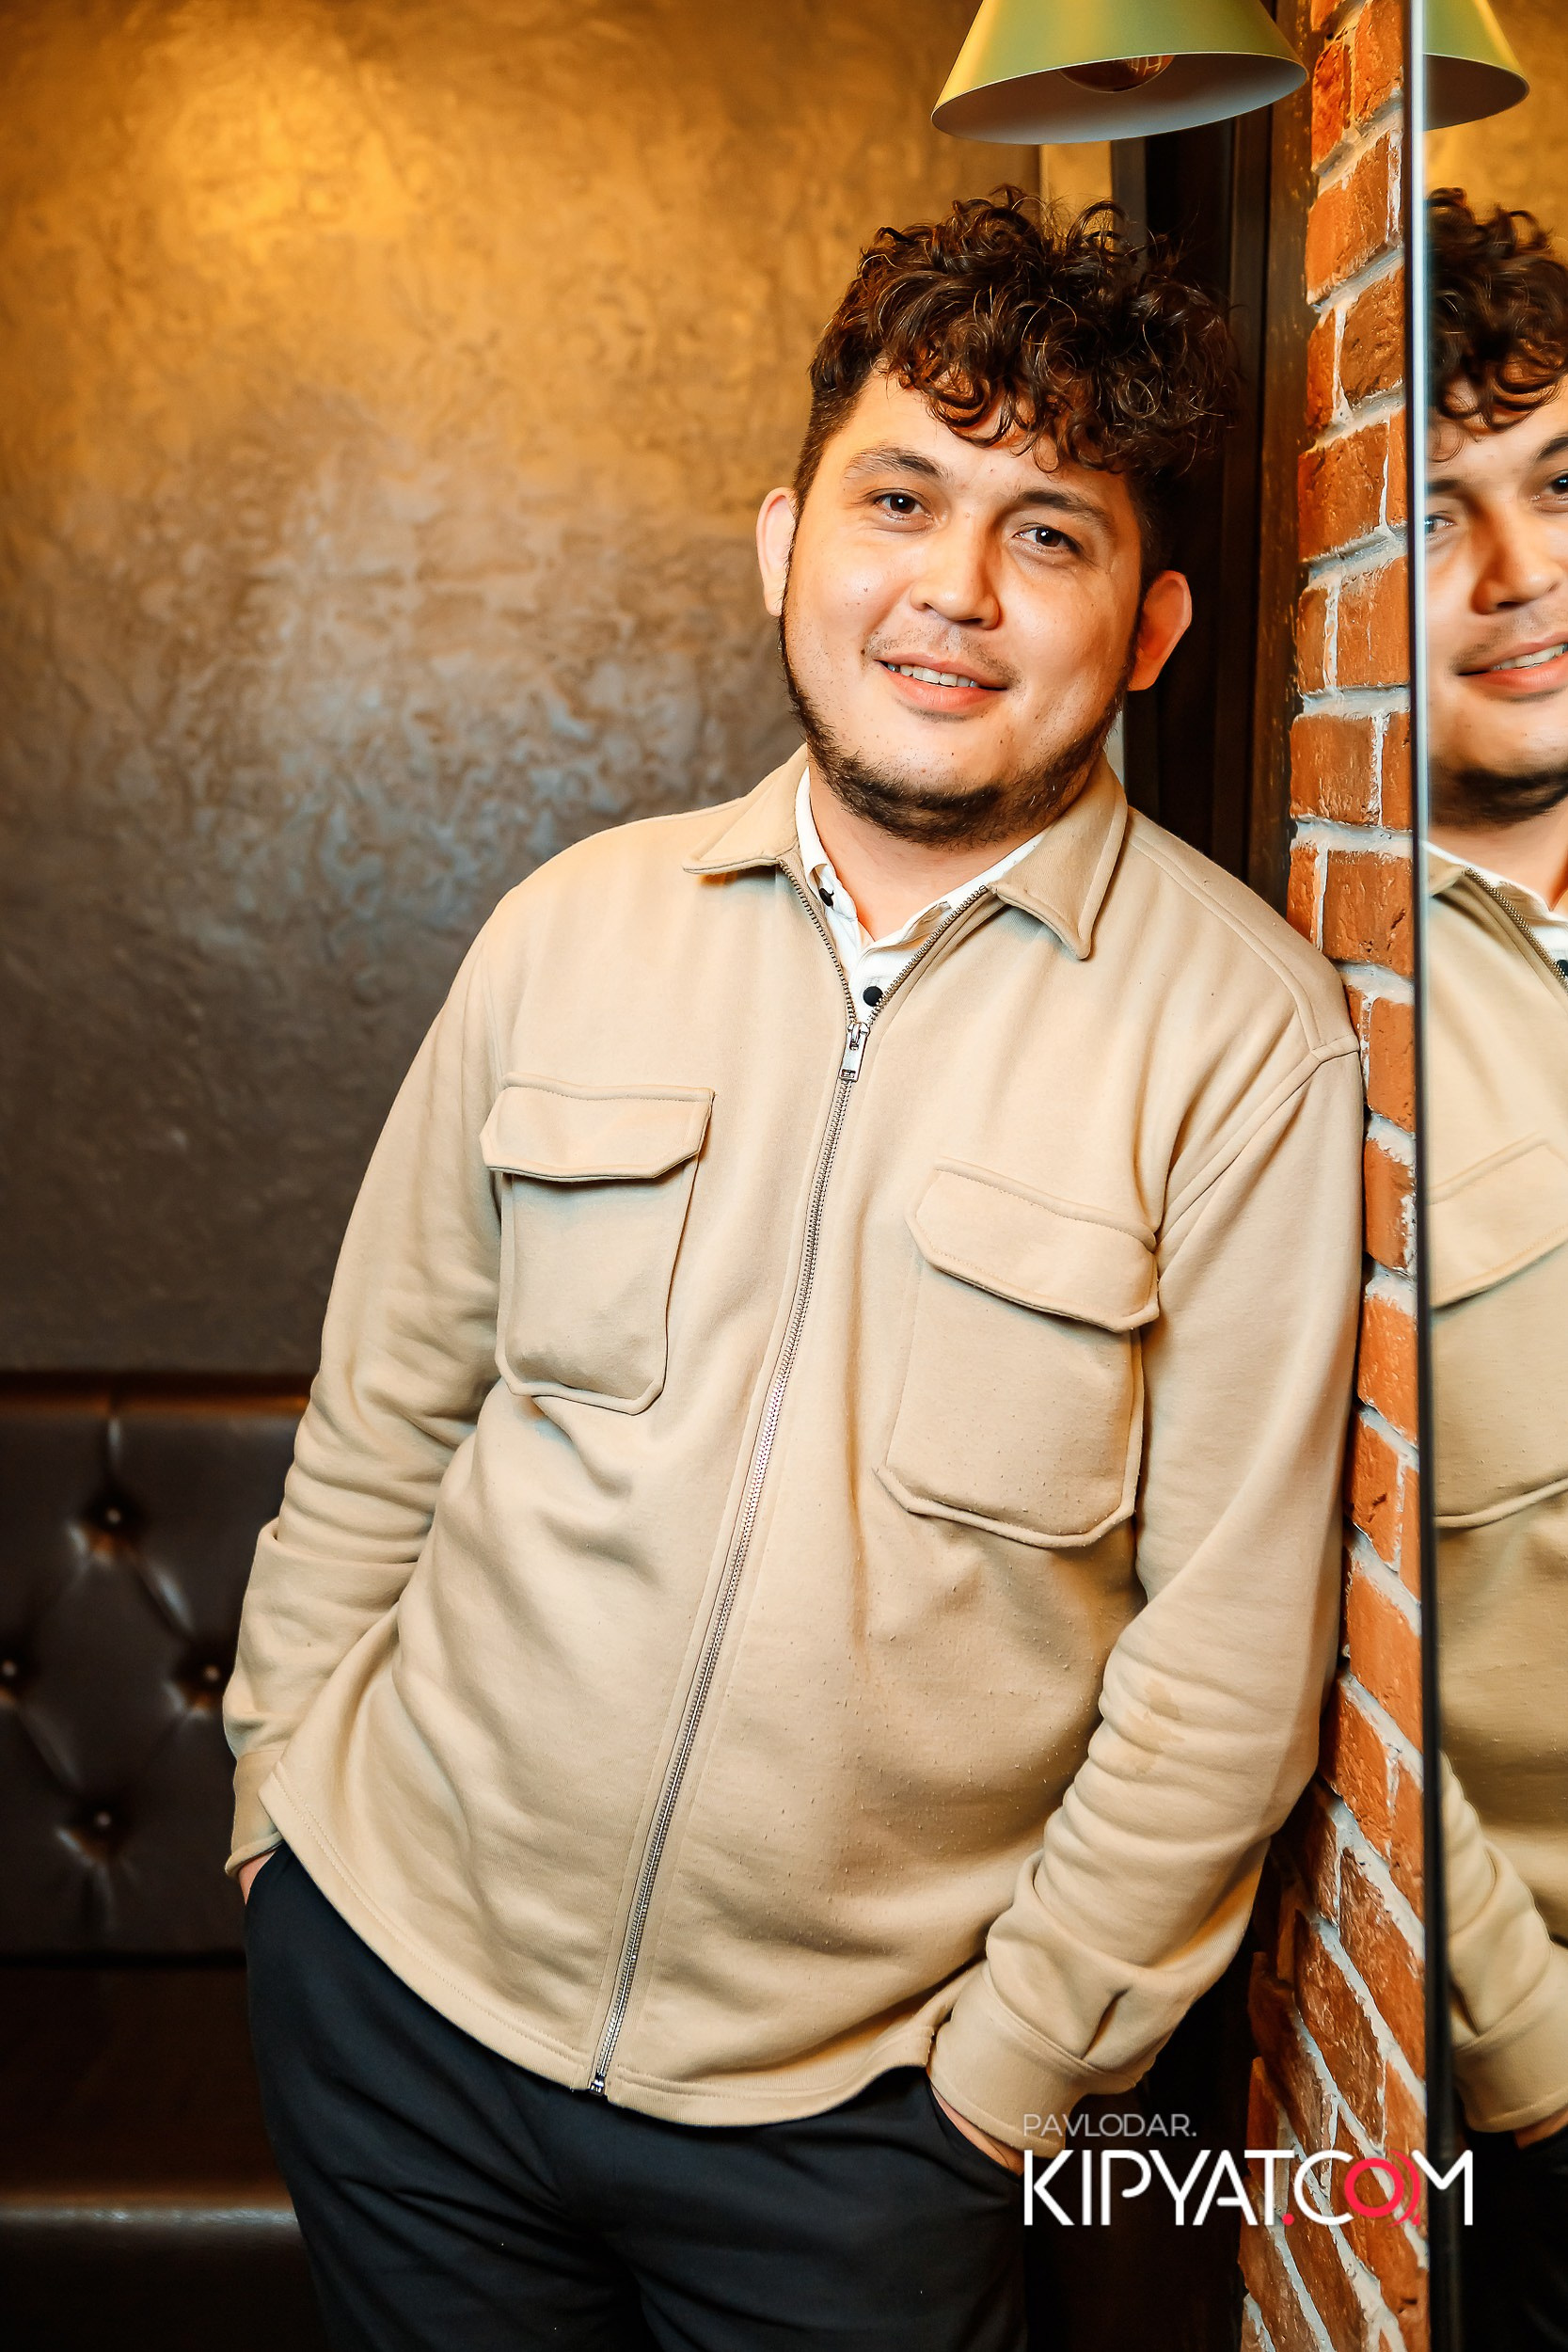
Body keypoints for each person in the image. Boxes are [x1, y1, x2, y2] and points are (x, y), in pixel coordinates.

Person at [225, 191, 1363, 2352]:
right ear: (785, 542)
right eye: (900, 498)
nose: (954, 587)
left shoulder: (1248, 1044)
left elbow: (1223, 1667)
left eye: (1049, 532)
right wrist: (282, 1813)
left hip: (858, 2138)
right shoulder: (571, 927)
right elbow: (383, 1417)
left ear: (1149, 626)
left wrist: (1001, 2083)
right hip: (400, 2010)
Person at [1425, 189, 1568, 2348]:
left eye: (1559, 486)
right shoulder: (1285, 1016)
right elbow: (1285, 1639)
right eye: (1438, 513)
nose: (1523, 570)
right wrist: (1531, 2050)